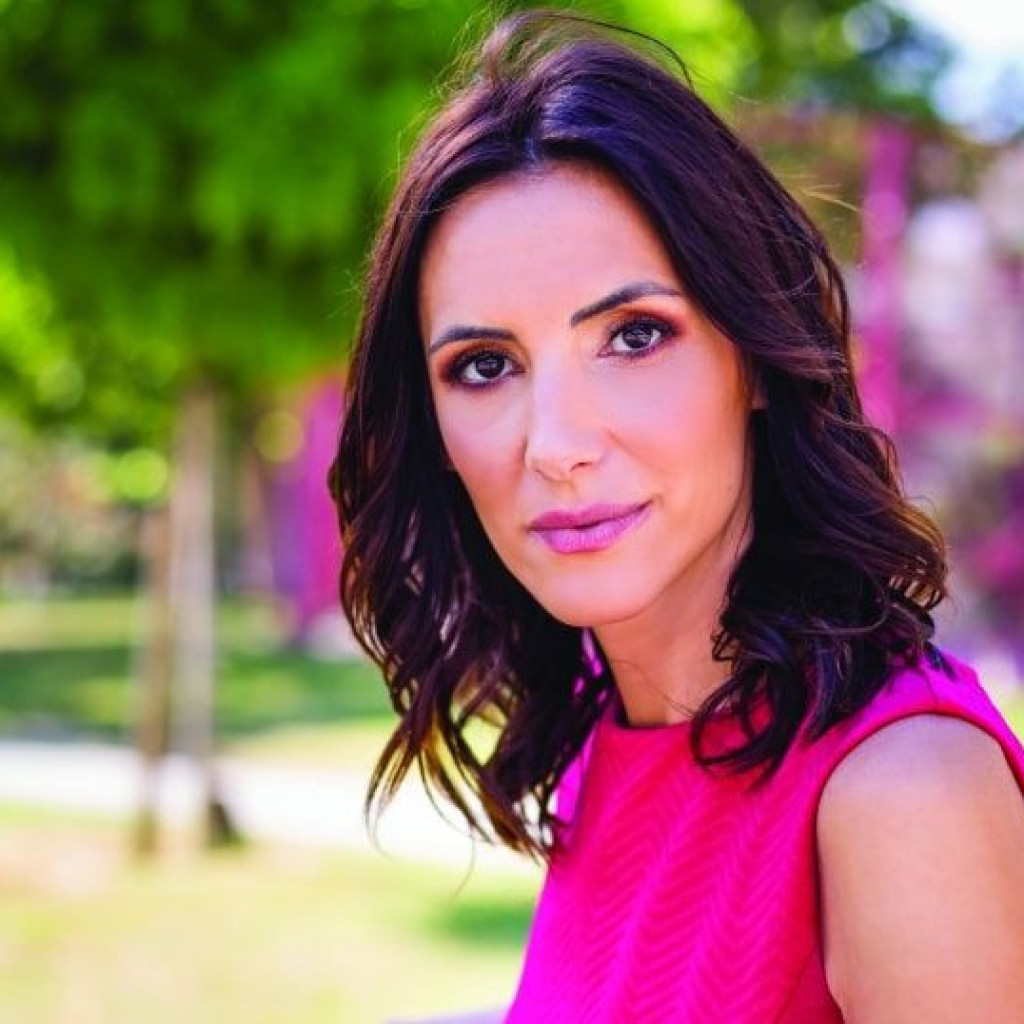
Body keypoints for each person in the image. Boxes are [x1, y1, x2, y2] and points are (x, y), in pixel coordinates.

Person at [330, 10, 1024, 1023]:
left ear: (755, 356)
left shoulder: (903, 792)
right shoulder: (613, 728)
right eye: (484, 366)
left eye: (633, 336)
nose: (556, 443)